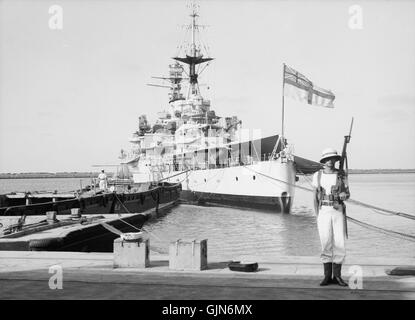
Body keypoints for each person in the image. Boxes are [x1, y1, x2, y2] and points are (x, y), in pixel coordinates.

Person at [312, 148, 350, 287]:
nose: (330, 161)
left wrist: (344, 195)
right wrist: (317, 214)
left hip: (338, 210)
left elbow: (348, 193)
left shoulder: (341, 174)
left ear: (335, 160)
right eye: (327, 159)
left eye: (333, 158)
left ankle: (338, 276)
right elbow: (315, 196)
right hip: (323, 211)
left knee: (340, 243)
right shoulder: (317, 175)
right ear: (323, 161)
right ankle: (327, 276)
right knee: (325, 242)